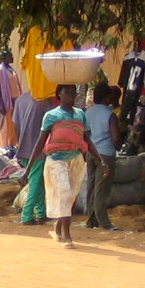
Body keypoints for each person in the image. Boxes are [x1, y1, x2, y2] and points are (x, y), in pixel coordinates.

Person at [40, 84, 90, 248]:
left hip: (75, 159)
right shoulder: (51, 115)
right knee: (64, 191)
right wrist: (28, 169)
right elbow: (41, 141)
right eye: (67, 91)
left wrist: (100, 160)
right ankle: (67, 235)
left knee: (70, 196)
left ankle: (58, 226)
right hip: (56, 160)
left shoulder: (80, 114)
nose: (71, 94)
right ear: (59, 94)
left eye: (73, 91)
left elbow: (87, 139)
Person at [83, 84, 122, 230]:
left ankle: (91, 220)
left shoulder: (88, 113)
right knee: (102, 189)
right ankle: (104, 222)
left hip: (90, 152)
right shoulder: (110, 115)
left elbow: (84, 134)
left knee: (91, 187)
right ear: (107, 97)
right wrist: (118, 145)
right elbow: (116, 138)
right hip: (105, 153)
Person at [13, 89, 52, 225]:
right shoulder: (43, 101)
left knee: (38, 181)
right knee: (35, 183)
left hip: (23, 147)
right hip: (37, 149)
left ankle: (41, 212)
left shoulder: (20, 100)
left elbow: (16, 126)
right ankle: (27, 215)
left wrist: (18, 144)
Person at [0, 48, 22, 148]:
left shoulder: (11, 70)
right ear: (4, 58)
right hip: (6, 103)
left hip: (14, 101)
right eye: (10, 56)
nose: (12, 57)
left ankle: (11, 145)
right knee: (5, 127)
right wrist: (2, 104)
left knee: (13, 126)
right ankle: (3, 146)